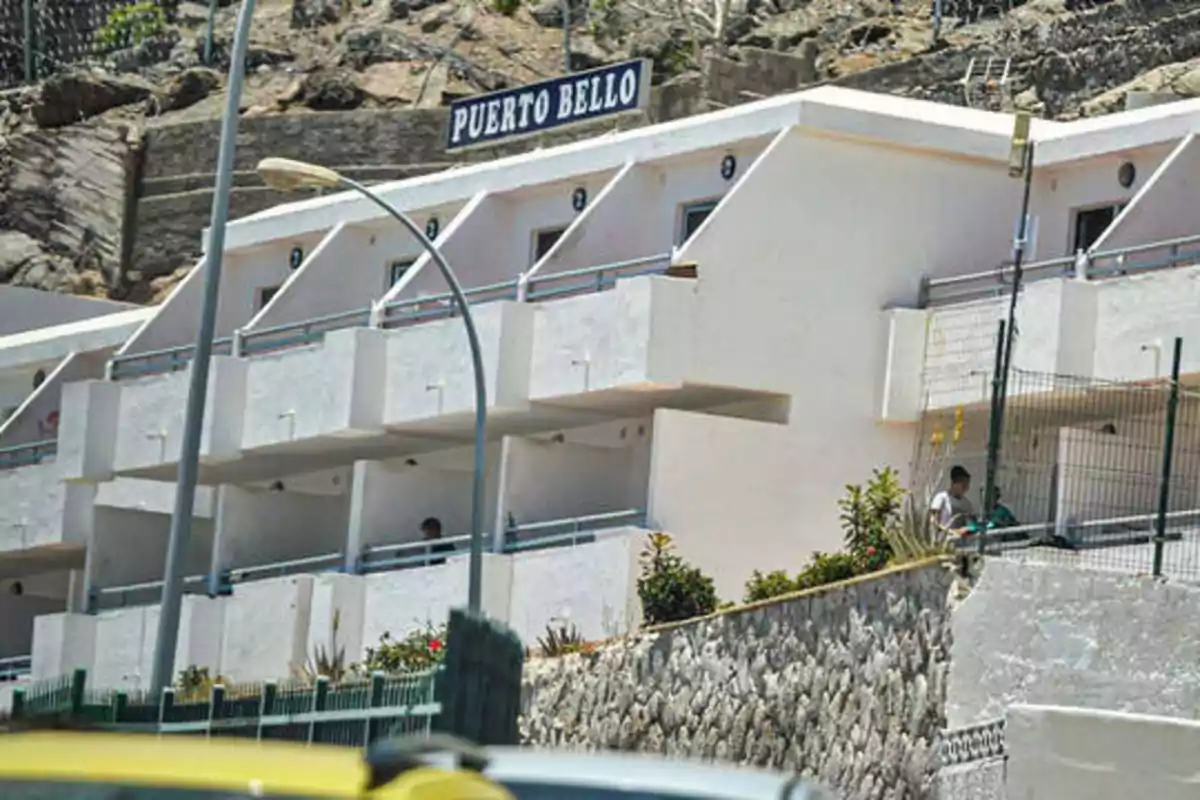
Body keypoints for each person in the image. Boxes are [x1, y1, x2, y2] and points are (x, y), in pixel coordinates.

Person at [930, 465, 975, 536]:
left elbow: (970, 524)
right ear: (954, 483)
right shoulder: (941, 498)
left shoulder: (967, 504)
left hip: (961, 543)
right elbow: (934, 522)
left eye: (967, 485)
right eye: (962, 484)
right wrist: (950, 531)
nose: (965, 488)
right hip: (942, 541)